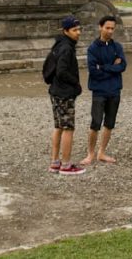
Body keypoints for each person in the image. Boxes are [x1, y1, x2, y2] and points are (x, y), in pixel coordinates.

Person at [79, 15, 126, 166]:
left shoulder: (117, 47)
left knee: (110, 123)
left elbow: (122, 66)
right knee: (96, 122)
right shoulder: (92, 48)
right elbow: (93, 71)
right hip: (99, 90)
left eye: (112, 28)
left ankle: (102, 152)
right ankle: (90, 153)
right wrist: (112, 67)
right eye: (107, 28)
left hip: (114, 90)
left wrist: (104, 67)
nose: (110, 31)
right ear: (100, 27)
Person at [46, 15, 85, 175]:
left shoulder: (59, 44)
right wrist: (75, 83)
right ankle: (66, 165)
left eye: (79, 29)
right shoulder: (67, 48)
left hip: (55, 91)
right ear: (66, 31)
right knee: (68, 127)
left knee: (58, 127)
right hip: (64, 92)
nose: (78, 33)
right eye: (75, 30)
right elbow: (62, 71)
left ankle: (55, 162)